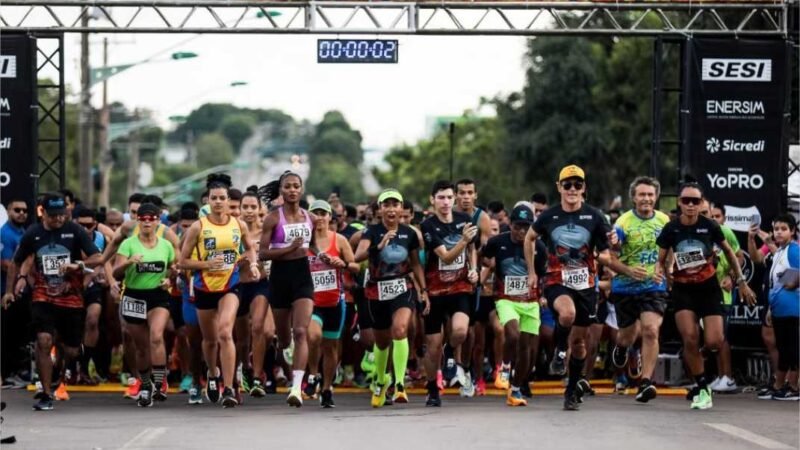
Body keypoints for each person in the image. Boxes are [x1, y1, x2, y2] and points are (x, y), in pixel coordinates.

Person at [524, 165, 646, 411]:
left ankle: (572, 389)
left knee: (579, 343)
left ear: (584, 188)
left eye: (577, 185)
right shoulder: (549, 216)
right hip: (556, 280)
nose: (572, 189)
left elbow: (606, 255)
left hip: (586, 285)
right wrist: (531, 273)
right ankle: (559, 352)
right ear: (559, 187)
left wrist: (612, 250)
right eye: (567, 185)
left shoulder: (595, 217)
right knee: (566, 315)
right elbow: (529, 238)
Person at [655, 181, 755, 410]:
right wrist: (663, 275)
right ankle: (702, 387)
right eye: (686, 201)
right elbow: (661, 261)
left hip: (708, 289)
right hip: (683, 290)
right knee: (689, 337)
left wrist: (741, 282)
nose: (691, 205)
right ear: (679, 203)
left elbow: (730, 252)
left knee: (714, 341)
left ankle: (697, 357)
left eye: (695, 201)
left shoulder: (709, 226)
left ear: (701, 203)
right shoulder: (671, 229)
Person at [4, 193, 102, 411]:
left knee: (72, 350)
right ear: (43, 213)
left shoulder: (74, 230)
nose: (58, 220)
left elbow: (98, 258)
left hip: (71, 295)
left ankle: (59, 370)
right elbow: (16, 262)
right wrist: (9, 291)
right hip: (43, 293)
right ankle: (46, 393)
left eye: (62, 215)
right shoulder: (33, 233)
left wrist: (77, 265)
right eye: (53, 216)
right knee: (44, 340)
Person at [179, 174, 260, 408]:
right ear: (208, 201)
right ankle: (212, 374)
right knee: (210, 340)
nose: (217, 202)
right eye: (213, 198)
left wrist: (252, 265)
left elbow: (250, 248)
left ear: (228, 200)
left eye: (222, 198)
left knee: (225, 332)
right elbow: (183, 261)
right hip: (204, 286)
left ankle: (228, 388)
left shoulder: (239, 224)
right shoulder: (198, 227)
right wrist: (205, 264)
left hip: (230, 284)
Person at [355, 189, 426, 408]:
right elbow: (358, 256)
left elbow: (415, 263)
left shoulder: (410, 233)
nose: (392, 209)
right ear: (380, 209)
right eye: (387, 205)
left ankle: (399, 384)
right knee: (382, 341)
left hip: (403, 287)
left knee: (400, 328)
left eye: (396, 204)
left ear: (401, 208)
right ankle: (379, 380)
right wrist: (380, 244)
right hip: (376, 291)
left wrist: (423, 290)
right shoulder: (371, 232)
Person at [258, 172, 317, 407]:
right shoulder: (273, 218)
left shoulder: (309, 217)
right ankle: (285, 361)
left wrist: (322, 255)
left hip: (302, 276)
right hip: (280, 277)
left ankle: (296, 387)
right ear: (281, 191)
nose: (292, 190)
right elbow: (263, 253)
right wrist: (288, 249)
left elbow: (311, 245)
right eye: (287, 187)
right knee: (284, 340)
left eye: (296, 186)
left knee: (301, 332)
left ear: (301, 190)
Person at [609, 176, 670, 403]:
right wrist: (628, 270)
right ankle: (622, 347)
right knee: (627, 335)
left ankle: (645, 382)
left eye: (650, 195)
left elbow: (669, 247)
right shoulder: (623, 223)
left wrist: (667, 268)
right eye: (642, 195)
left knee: (651, 330)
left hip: (653, 285)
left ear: (656, 197)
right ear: (633, 198)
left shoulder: (664, 220)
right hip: (625, 287)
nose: (646, 199)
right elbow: (609, 258)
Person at [420, 180, 479, 407]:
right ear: (432, 200)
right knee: (432, 346)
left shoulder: (465, 220)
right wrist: (463, 240)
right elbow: (446, 257)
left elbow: (473, 248)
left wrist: (473, 269)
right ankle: (432, 388)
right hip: (435, 291)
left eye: (448, 197)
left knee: (461, 331)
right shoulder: (428, 226)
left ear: (454, 198)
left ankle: (451, 349)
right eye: (440, 198)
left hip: (460, 288)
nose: (445, 202)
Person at [112, 202, 176, 407]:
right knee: (141, 348)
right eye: (143, 219)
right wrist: (129, 262)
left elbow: (174, 269)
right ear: (137, 221)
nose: (147, 222)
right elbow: (115, 273)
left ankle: (159, 384)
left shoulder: (165, 245)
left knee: (156, 336)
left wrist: (170, 279)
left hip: (158, 296)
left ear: (158, 221)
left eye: (151, 219)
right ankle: (146, 384)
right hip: (133, 296)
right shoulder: (128, 244)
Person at [483, 204, 545, 406]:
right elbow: (483, 256)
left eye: (526, 227)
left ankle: (516, 389)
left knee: (527, 348)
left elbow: (543, 274)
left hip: (530, 301)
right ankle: (505, 366)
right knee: (512, 333)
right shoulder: (497, 242)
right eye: (518, 226)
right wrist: (488, 267)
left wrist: (541, 294)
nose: (522, 231)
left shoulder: (540, 247)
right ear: (510, 224)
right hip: (505, 298)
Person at [306, 199, 358, 407]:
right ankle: (312, 374)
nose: (319, 217)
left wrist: (343, 264)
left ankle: (327, 388)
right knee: (313, 335)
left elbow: (355, 266)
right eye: (315, 213)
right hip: (311, 301)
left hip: (335, 302)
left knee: (330, 347)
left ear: (330, 217)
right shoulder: (304, 241)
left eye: (323, 213)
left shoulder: (339, 240)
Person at [237, 186, 275, 398]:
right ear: (240, 209)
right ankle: (246, 368)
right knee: (241, 339)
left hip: (261, 284)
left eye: (253, 207)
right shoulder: (234, 231)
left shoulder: (266, 232)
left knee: (259, 328)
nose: (249, 211)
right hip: (238, 286)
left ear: (259, 209)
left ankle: (259, 376)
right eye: (246, 207)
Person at [764, 213, 799, 400]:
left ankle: (794, 387)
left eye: (783, 229)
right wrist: (770, 308)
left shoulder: (793, 250)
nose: (778, 232)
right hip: (779, 308)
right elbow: (774, 283)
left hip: (792, 308)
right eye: (776, 229)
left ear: (792, 231)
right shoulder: (779, 251)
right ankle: (780, 385)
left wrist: (792, 283)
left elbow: (797, 274)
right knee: (784, 348)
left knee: (792, 348)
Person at [1, 198, 30, 385]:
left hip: (23, 293)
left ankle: (17, 371)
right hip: (5, 291)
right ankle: (6, 373)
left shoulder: (24, 232)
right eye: (17, 210)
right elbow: (4, 264)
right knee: (6, 335)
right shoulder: (4, 234)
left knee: (19, 334)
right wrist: (23, 273)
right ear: (9, 211)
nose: (21, 213)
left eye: (24, 210)